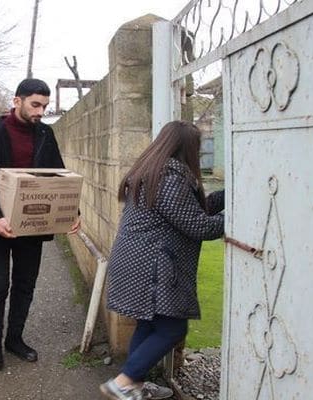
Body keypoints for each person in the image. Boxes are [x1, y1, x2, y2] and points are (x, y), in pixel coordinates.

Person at [99, 121, 225, 400]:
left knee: (149, 323)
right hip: (150, 267)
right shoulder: (170, 177)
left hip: (139, 263)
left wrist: (229, 197)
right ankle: (123, 382)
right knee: (172, 328)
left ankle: (135, 386)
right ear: (186, 148)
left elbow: (191, 210)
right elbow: (199, 226)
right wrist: (236, 215)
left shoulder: (154, 172)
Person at [0, 78, 80, 371]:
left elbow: (59, 175)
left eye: (44, 106)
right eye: (35, 104)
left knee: (25, 285)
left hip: (32, 222)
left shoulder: (45, 132)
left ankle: (14, 339)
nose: (40, 111)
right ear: (17, 100)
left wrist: (71, 212)